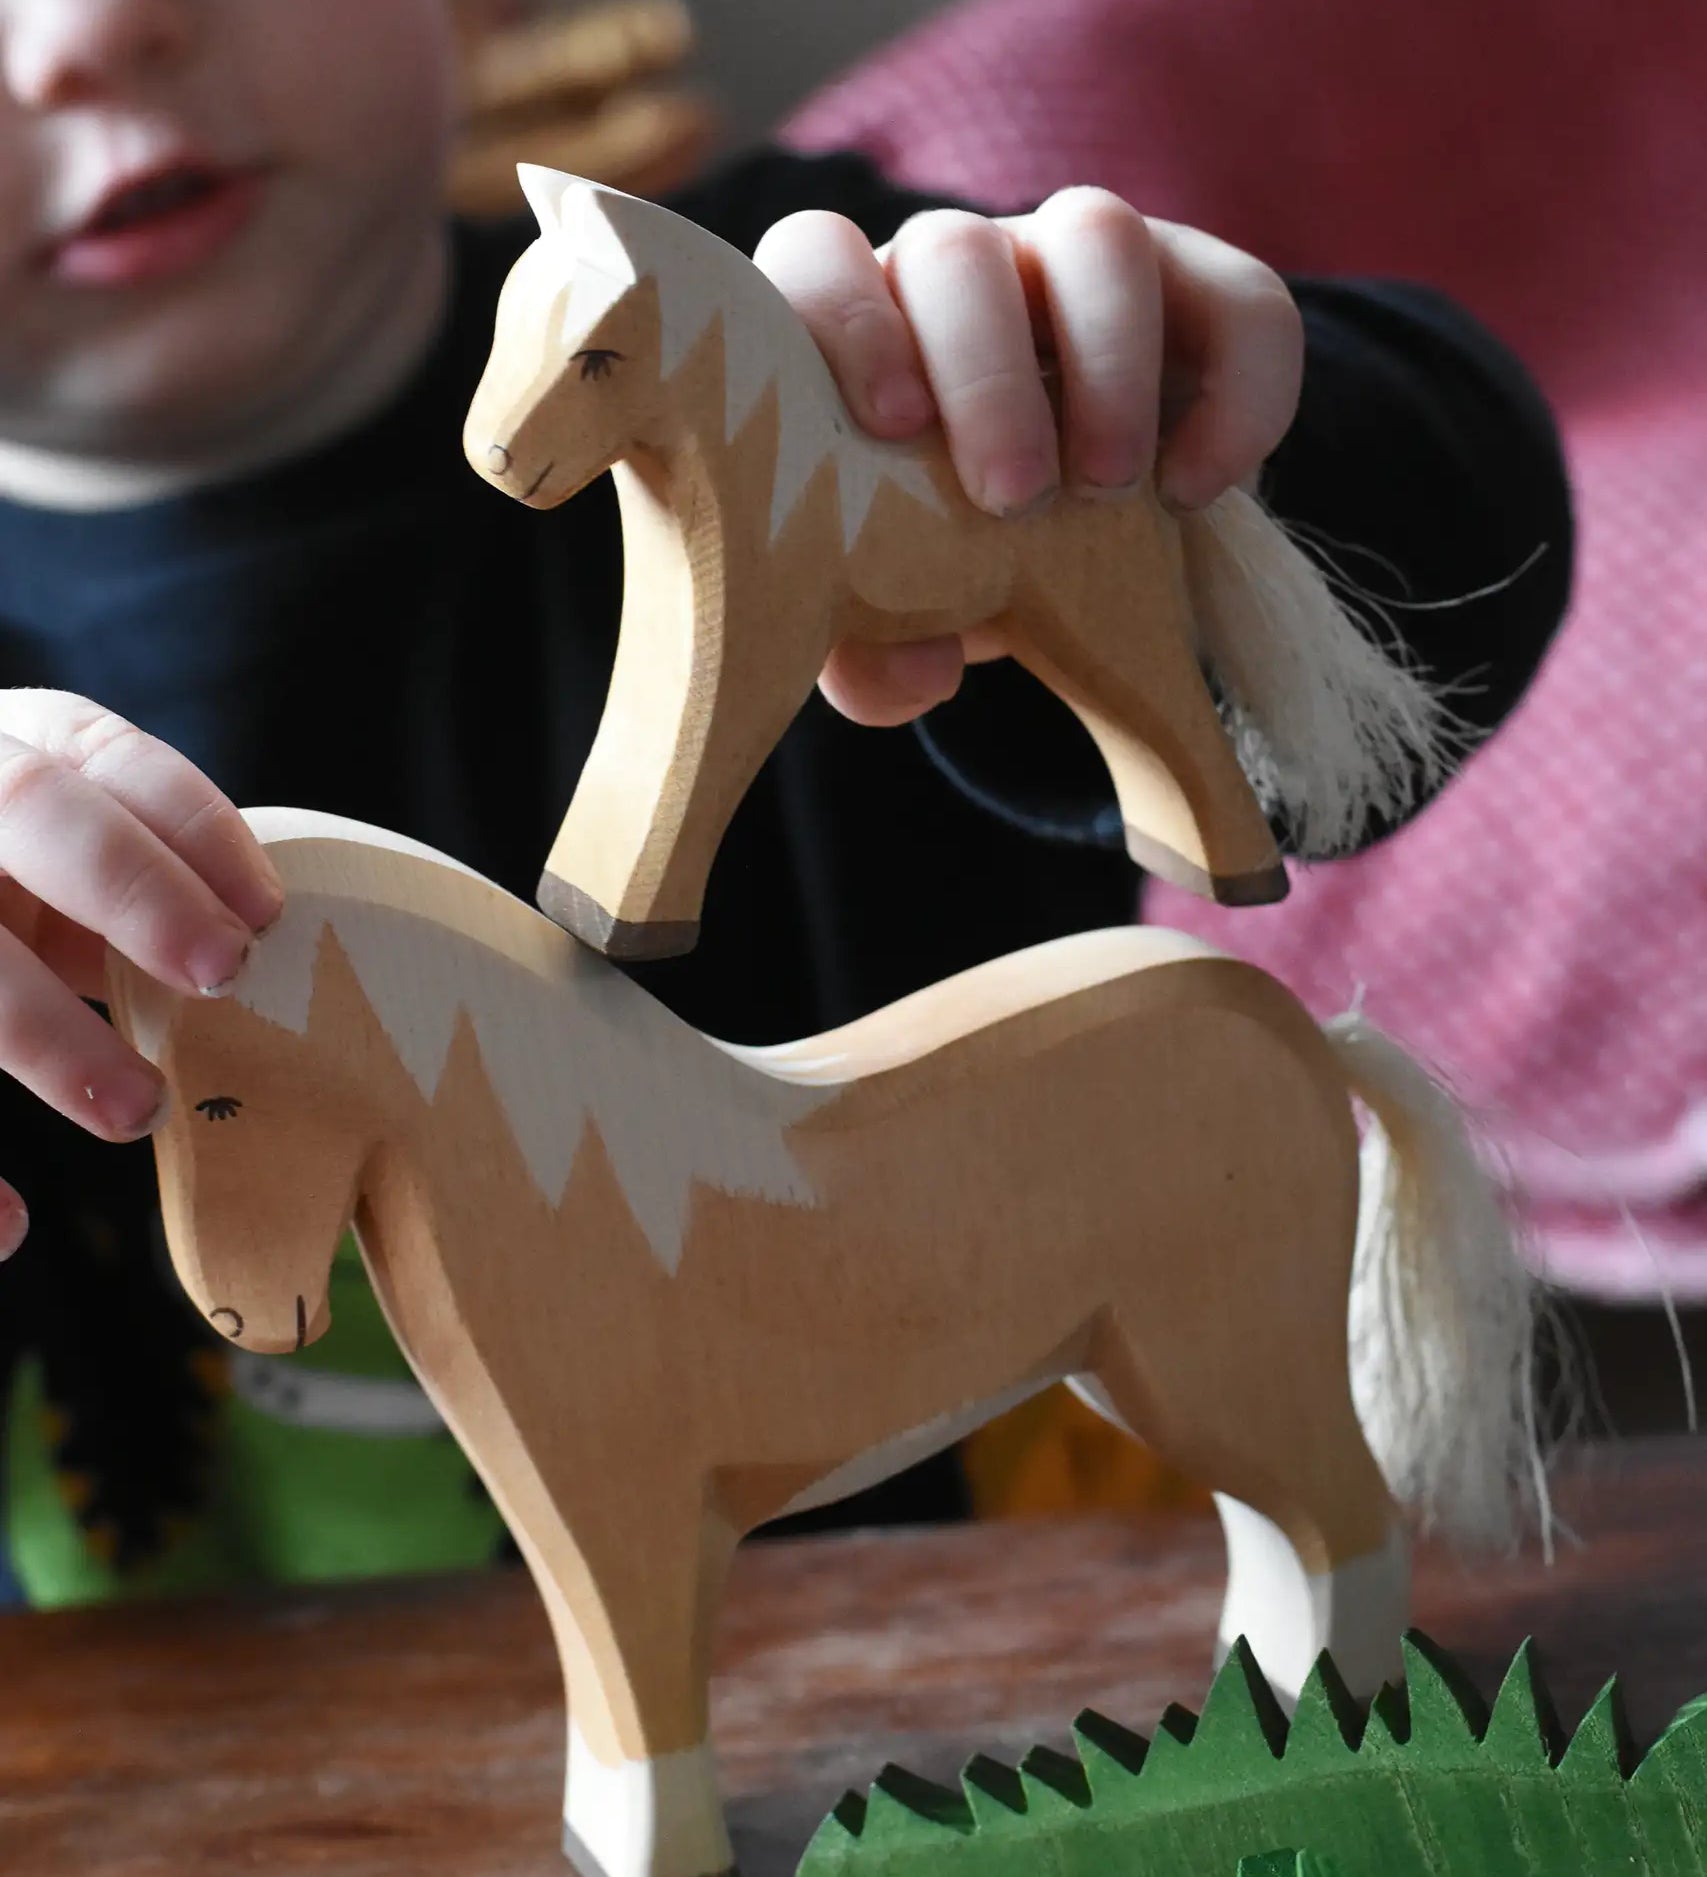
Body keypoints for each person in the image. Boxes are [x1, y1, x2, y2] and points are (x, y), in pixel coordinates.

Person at [0, 0, 1571, 1606]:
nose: (91, 33)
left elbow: (1453, 553)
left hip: (1000, 1651)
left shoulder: (798, 337)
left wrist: (1164, 409)